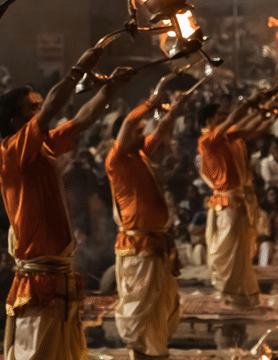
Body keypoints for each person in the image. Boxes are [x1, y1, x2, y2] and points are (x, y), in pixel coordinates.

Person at [0, 46, 134, 360]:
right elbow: (55, 108)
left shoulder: (42, 144)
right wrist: (80, 67)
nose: (42, 110)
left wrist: (110, 88)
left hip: (57, 274)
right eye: (34, 108)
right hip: (39, 278)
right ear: (18, 121)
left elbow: (82, 120)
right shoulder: (12, 151)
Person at [105, 82, 187, 360]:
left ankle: (157, 354)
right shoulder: (117, 159)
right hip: (137, 247)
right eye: (139, 132)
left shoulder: (139, 153)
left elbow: (162, 130)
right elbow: (129, 121)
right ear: (121, 138)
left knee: (158, 307)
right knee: (140, 309)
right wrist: (152, 101)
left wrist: (175, 110)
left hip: (155, 246)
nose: (143, 134)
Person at [198, 98, 272, 306]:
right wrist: (250, 103)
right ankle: (229, 294)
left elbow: (252, 128)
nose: (226, 118)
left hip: (240, 200)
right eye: (221, 115)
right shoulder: (207, 141)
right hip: (227, 202)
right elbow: (235, 119)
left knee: (241, 252)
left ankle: (240, 296)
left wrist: (268, 111)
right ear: (211, 120)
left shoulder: (229, 137)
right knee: (228, 251)